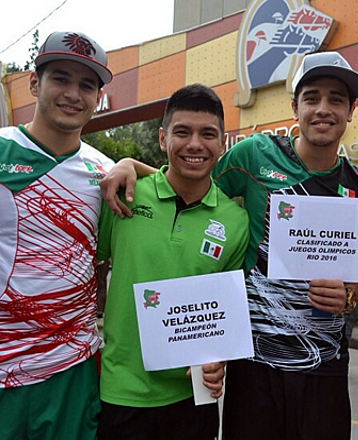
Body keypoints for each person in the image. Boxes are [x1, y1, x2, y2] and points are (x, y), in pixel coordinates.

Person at [100, 51, 358, 440]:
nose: (323, 109)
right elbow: (194, 175)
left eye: (336, 99)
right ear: (294, 108)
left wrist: (349, 296)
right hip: (254, 366)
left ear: (352, 110)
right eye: (312, 98)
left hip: (323, 365)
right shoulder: (254, 155)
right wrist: (132, 165)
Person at [0, 31, 113, 440]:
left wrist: (134, 165)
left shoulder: (105, 172)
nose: (73, 94)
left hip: (71, 372)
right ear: (35, 83)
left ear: (98, 97)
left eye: (86, 85)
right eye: (61, 79)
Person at [95, 84, 250, 440]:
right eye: (182, 132)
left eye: (207, 134)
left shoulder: (235, 221)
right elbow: (86, 266)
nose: (195, 144)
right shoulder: (124, 194)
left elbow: (224, 313)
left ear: (222, 143)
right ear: (163, 138)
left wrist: (218, 359)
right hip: (122, 392)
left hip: (193, 397)